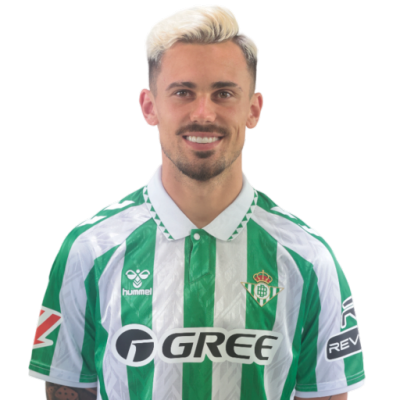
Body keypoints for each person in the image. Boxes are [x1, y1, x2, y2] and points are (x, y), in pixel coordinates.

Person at [29, 5, 365, 399]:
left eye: (224, 93)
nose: (203, 114)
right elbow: (67, 389)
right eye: (183, 92)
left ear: (253, 109)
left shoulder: (309, 257)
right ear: (149, 107)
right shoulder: (88, 249)